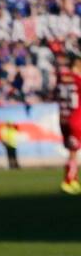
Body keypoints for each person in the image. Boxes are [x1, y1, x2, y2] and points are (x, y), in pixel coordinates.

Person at [55, 52, 81, 194]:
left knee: (72, 151)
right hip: (76, 119)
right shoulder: (78, 79)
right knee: (73, 153)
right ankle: (68, 181)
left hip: (63, 118)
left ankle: (74, 180)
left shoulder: (61, 78)